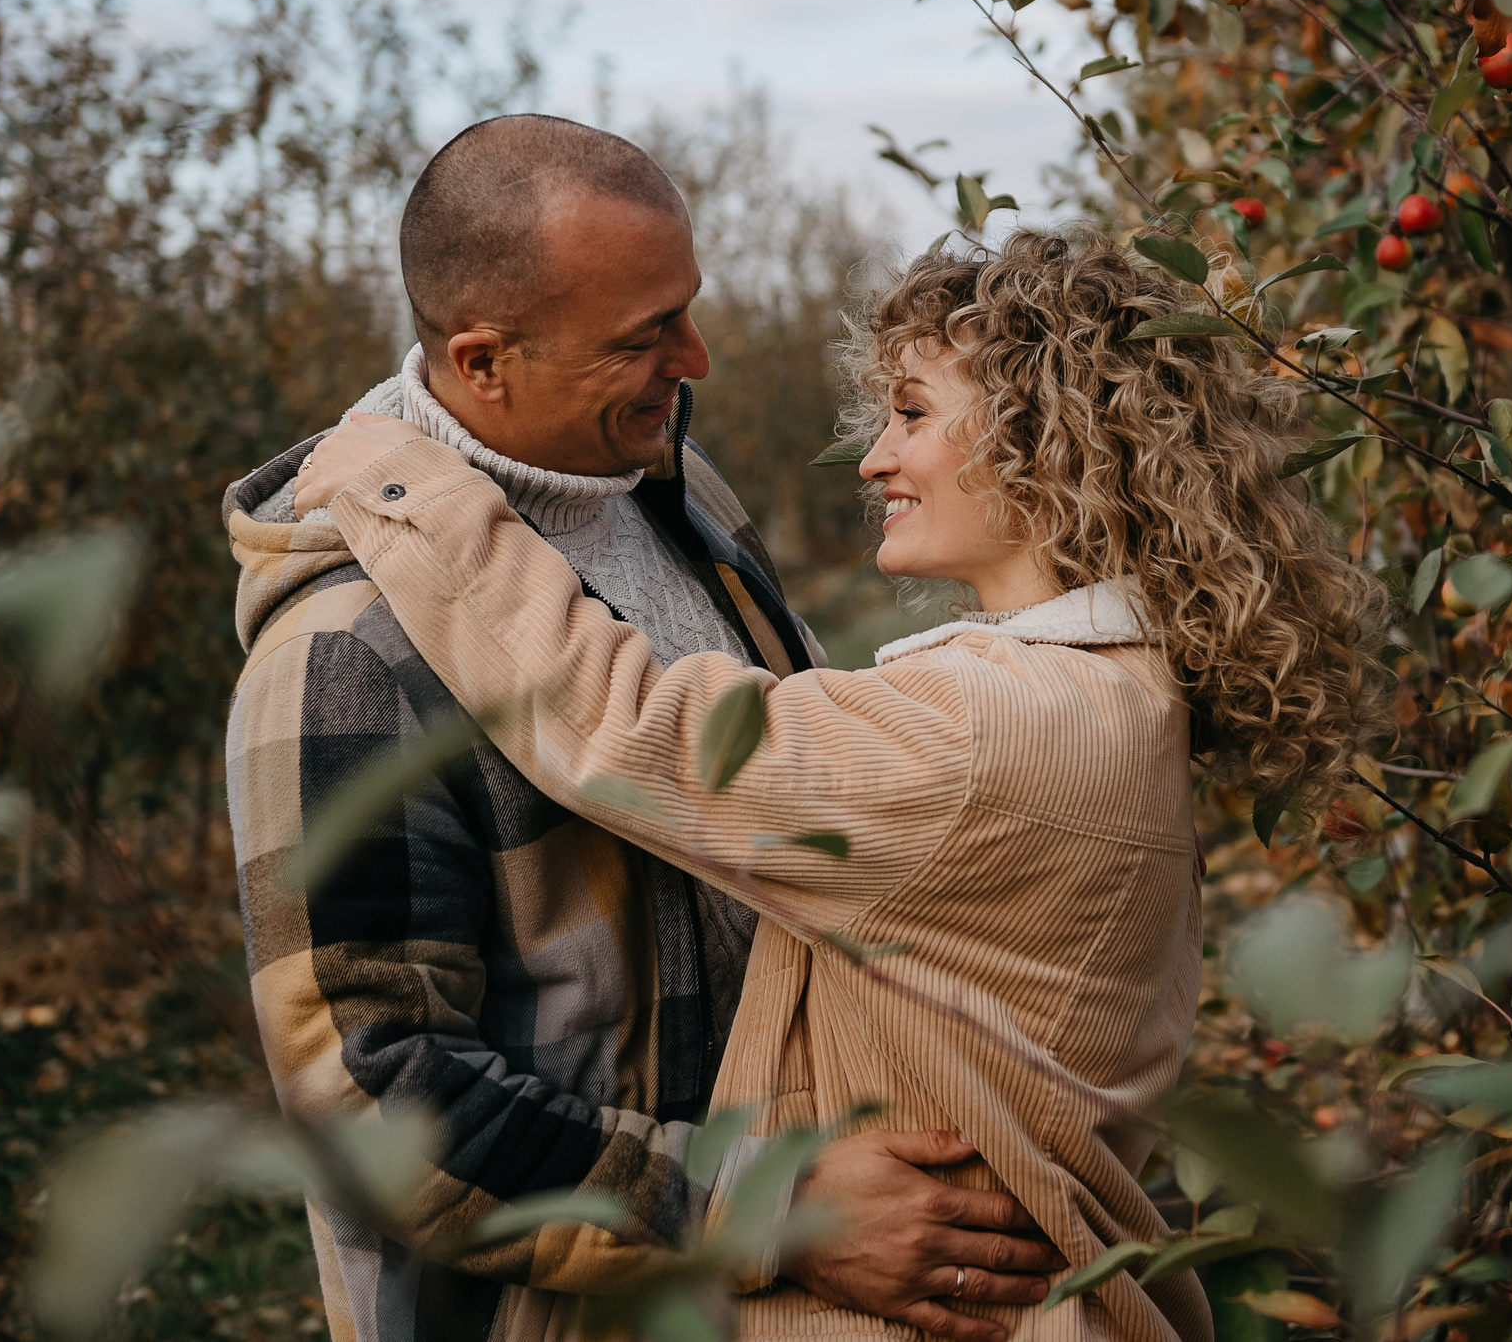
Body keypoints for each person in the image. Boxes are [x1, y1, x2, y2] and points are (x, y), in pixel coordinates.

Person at [292, 229, 1381, 1341]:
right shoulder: (1108, 694)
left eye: (911, 413)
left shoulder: (992, 728)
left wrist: (400, 480)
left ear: (1051, 435)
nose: (872, 460)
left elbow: (632, 728)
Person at [223, 115, 1064, 1342]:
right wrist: (768, 1205)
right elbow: (377, 1095)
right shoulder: (346, 657)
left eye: (687, 306)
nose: (699, 357)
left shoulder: (678, 492)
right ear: (483, 359)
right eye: (644, 335)